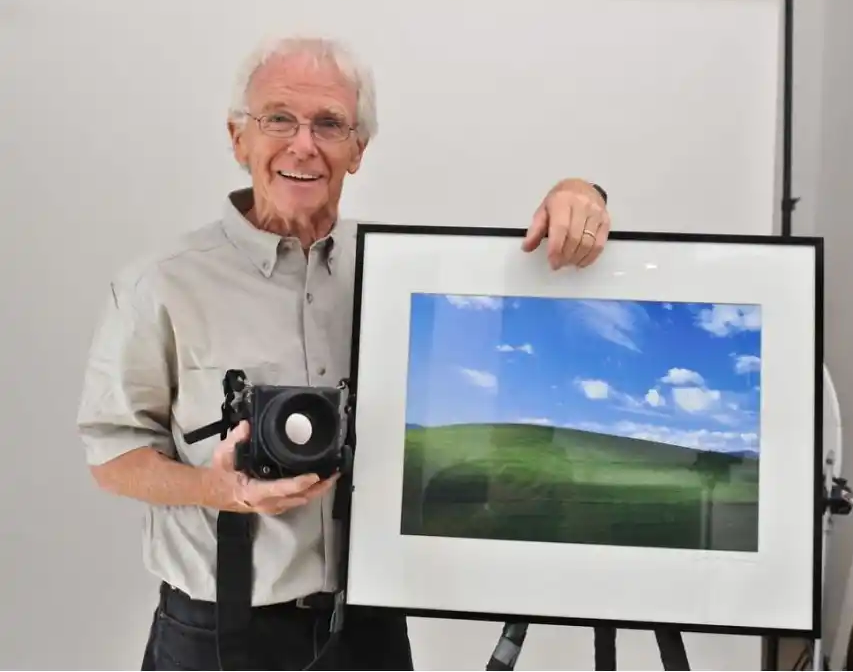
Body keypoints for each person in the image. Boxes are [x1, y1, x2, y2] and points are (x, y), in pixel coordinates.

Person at [75, 34, 612, 671]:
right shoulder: (161, 284)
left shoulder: (407, 272)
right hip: (216, 636)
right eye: (278, 118)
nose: (303, 144)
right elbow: (113, 457)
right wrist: (217, 489)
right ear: (237, 136)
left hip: (367, 633)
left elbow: (524, 283)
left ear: (358, 150)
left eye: (329, 124)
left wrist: (583, 193)